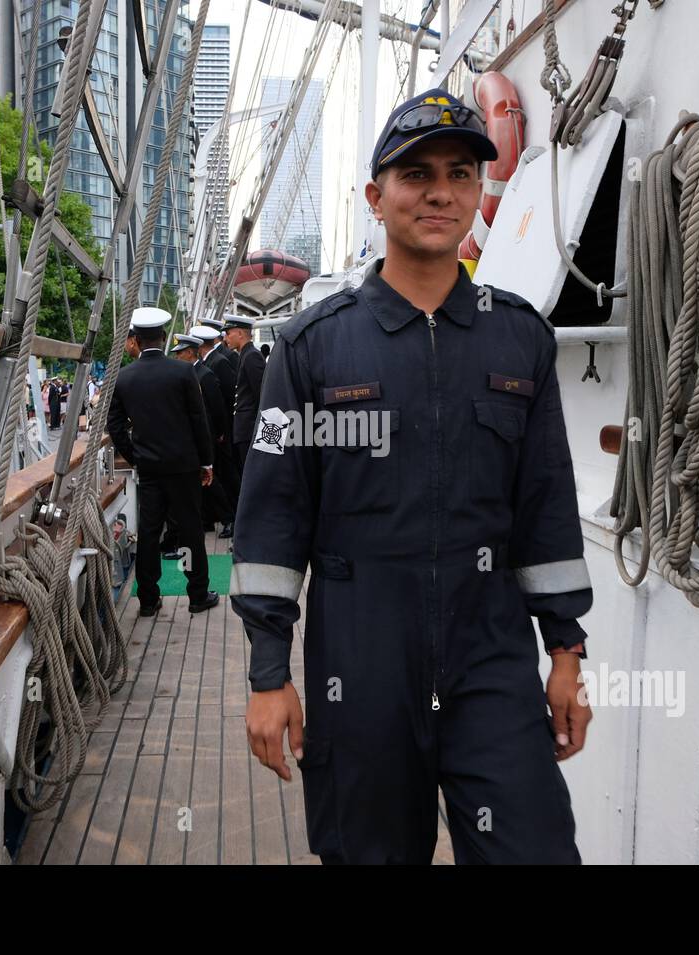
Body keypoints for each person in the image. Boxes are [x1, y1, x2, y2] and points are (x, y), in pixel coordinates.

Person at [229, 89, 592, 865]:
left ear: (477, 192)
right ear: (376, 196)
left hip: (491, 658)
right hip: (360, 667)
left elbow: (547, 511)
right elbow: (272, 521)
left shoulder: (520, 340)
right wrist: (268, 672)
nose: (440, 192)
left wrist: (565, 653)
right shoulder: (311, 348)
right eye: (415, 173)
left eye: (460, 173)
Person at [106, 307, 220, 618]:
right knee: (189, 532)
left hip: (150, 468)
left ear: (136, 340)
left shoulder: (124, 378)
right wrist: (206, 462)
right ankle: (197, 594)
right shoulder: (183, 373)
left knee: (149, 533)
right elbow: (199, 422)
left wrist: (134, 456)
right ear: (164, 336)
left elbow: (114, 425)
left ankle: (147, 599)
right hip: (184, 467)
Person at [173, 332, 234, 534]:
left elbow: (218, 408)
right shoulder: (189, 375)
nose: (176, 357)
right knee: (202, 479)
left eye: (179, 353)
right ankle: (207, 519)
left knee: (209, 477)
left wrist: (220, 434)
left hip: (207, 435)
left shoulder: (205, 375)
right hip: (193, 435)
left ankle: (229, 518)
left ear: (190, 352)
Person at [224, 316, 265, 485]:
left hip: (249, 430)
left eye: (228, 333)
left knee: (252, 478)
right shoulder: (245, 354)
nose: (226, 338)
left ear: (240, 333)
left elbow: (261, 394)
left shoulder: (252, 356)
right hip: (244, 429)